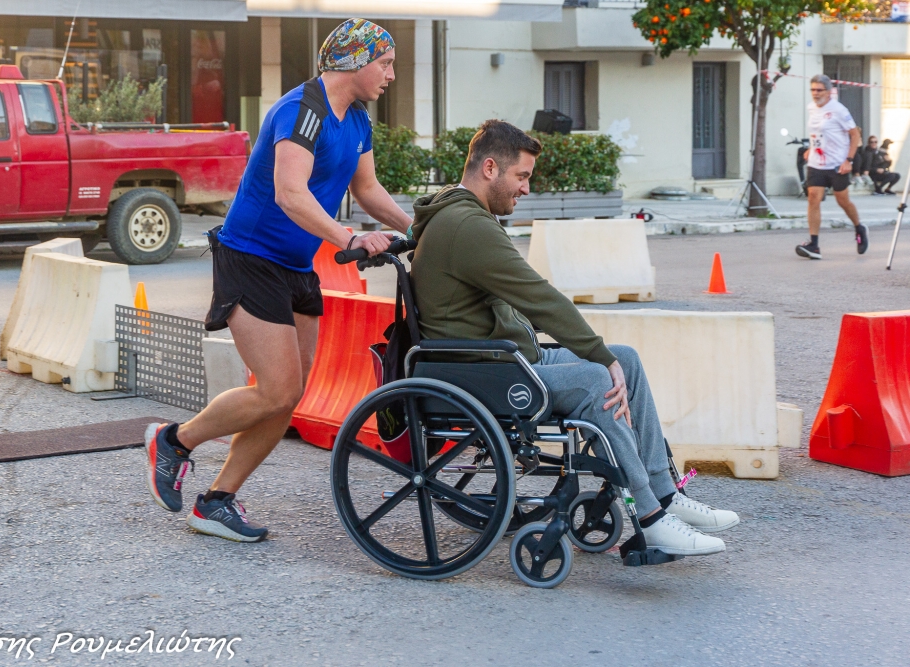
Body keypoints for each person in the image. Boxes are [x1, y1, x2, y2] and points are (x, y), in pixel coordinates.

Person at [409, 120, 739, 557]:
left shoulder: (464, 213)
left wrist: (607, 356)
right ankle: (651, 519)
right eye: (521, 176)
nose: (526, 188)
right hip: (483, 371)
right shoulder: (466, 226)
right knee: (599, 379)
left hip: (505, 358)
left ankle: (663, 491)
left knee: (629, 360)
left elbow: (528, 300)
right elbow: (539, 297)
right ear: (490, 168)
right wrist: (597, 356)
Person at [144, 18, 414, 542]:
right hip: (250, 258)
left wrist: (418, 226)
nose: (391, 75)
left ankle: (216, 501)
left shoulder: (357, 119)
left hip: (294, 266)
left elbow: (367, 188)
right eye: (385, 63)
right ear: (356, 62)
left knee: (287, 396)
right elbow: (290, 193)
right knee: (277, 388)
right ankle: (175, 440)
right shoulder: (302, 111)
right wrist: (347, 239)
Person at [798, 74, 868, 260]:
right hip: (817, 162)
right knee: (813, 197)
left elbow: (855, 136)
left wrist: (849, 160)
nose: (815, 93)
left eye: (819, 90)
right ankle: (814, 245)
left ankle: (859, 228)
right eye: (813, 90)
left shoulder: (839, 110)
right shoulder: (811, 108)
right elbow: (817, 133)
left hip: (837, 163)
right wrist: (810, 149)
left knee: (842, 200)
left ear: (829, 92)